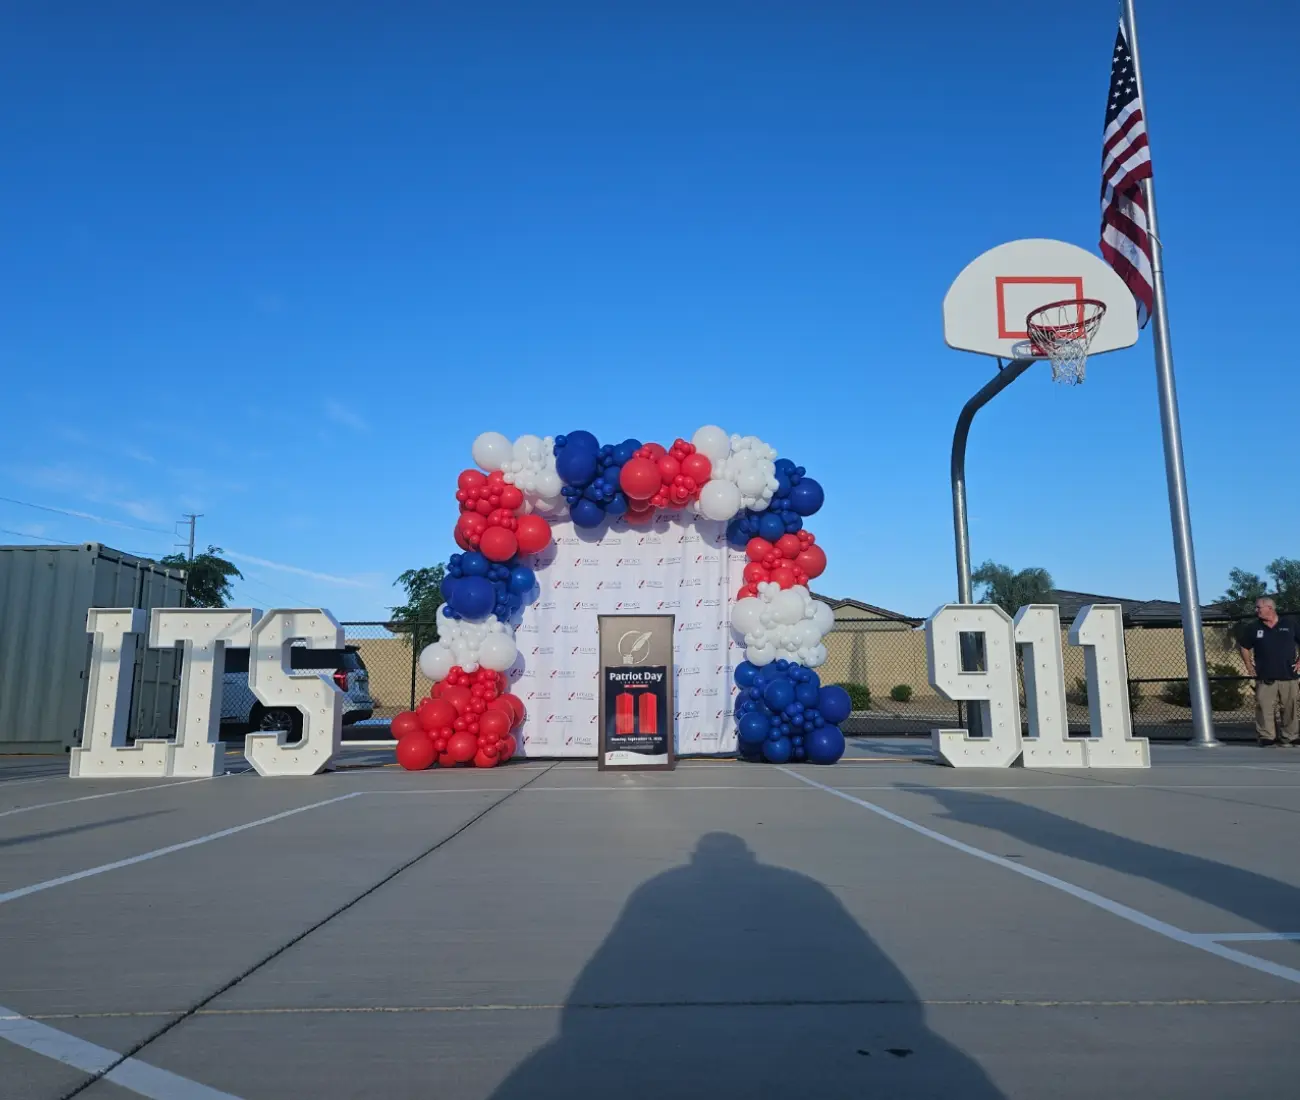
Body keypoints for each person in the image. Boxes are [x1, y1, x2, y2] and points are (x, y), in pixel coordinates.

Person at [1237, 597, 1300, 746]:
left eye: (1259, 607)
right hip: (1265, 676)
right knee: (1264, 707)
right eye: (1256, 608)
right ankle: (1267, 736)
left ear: (1270, 608)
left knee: (1290, 707)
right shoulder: (1253, 627)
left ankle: (1291, 736)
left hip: (1288, 675)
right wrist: (1248, 665)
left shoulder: (1289, 624)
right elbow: (1244, 646)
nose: (1256, 610)